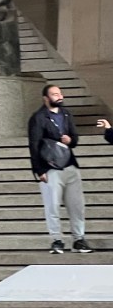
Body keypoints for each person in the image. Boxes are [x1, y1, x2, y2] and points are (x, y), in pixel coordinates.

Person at [27, 84, 92, 254]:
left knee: (77, 205)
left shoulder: (66, 114)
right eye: (55, 94)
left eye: (60, 93)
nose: (59, 96)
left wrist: (70, 140)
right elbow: (34, 144)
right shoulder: (38, 117)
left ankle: (79, 239)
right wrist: (39, 170)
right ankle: (57, 239)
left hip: (69, 164)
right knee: (53, 205)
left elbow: (75, 138)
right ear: (46, 98)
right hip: (50, 167)